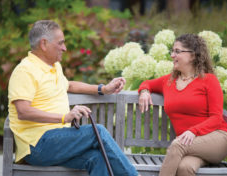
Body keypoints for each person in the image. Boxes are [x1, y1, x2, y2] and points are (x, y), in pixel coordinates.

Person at [8, 20, 138, 176]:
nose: (64, 48)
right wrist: (64, 117)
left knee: (97, 158)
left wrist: (103, 89)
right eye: (60, 43)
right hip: (37, 145)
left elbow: (68, 85)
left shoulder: (53, 66)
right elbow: (23, 111)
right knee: (99, 132)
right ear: (44, 44)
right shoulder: (25, 70)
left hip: (59, 142)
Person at [138, 34, 227, 176]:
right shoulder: (169, 81)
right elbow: (147, 83)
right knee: (185, 168)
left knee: (177, 144)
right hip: (190, 144)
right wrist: (144, 91)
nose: (172, 55)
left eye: (177, 51)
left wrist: (193, 131)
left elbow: (216, 118)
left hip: (216, 139)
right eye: (172, 51)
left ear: (193, 55)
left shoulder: (209, 80)